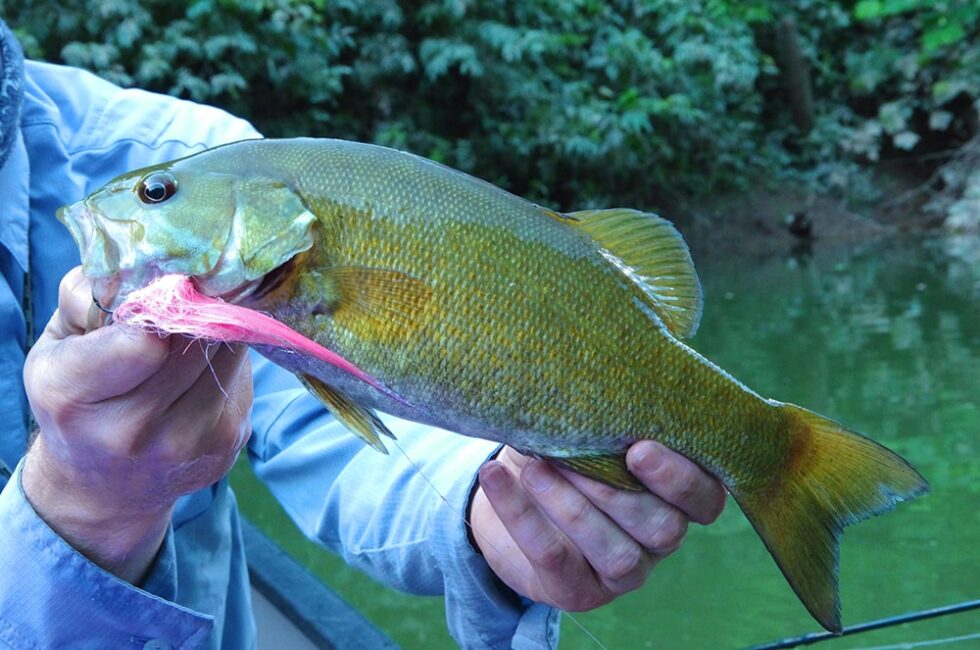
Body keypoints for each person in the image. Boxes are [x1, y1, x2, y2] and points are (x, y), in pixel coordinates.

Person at [0, 19, 725, 649]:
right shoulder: (235, 187)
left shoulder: (192, 146)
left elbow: (324, 422)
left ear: (275, 218)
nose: (138, 203)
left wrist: (489, 509)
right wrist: (82, 509)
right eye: (157, 192)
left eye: (158, 195)